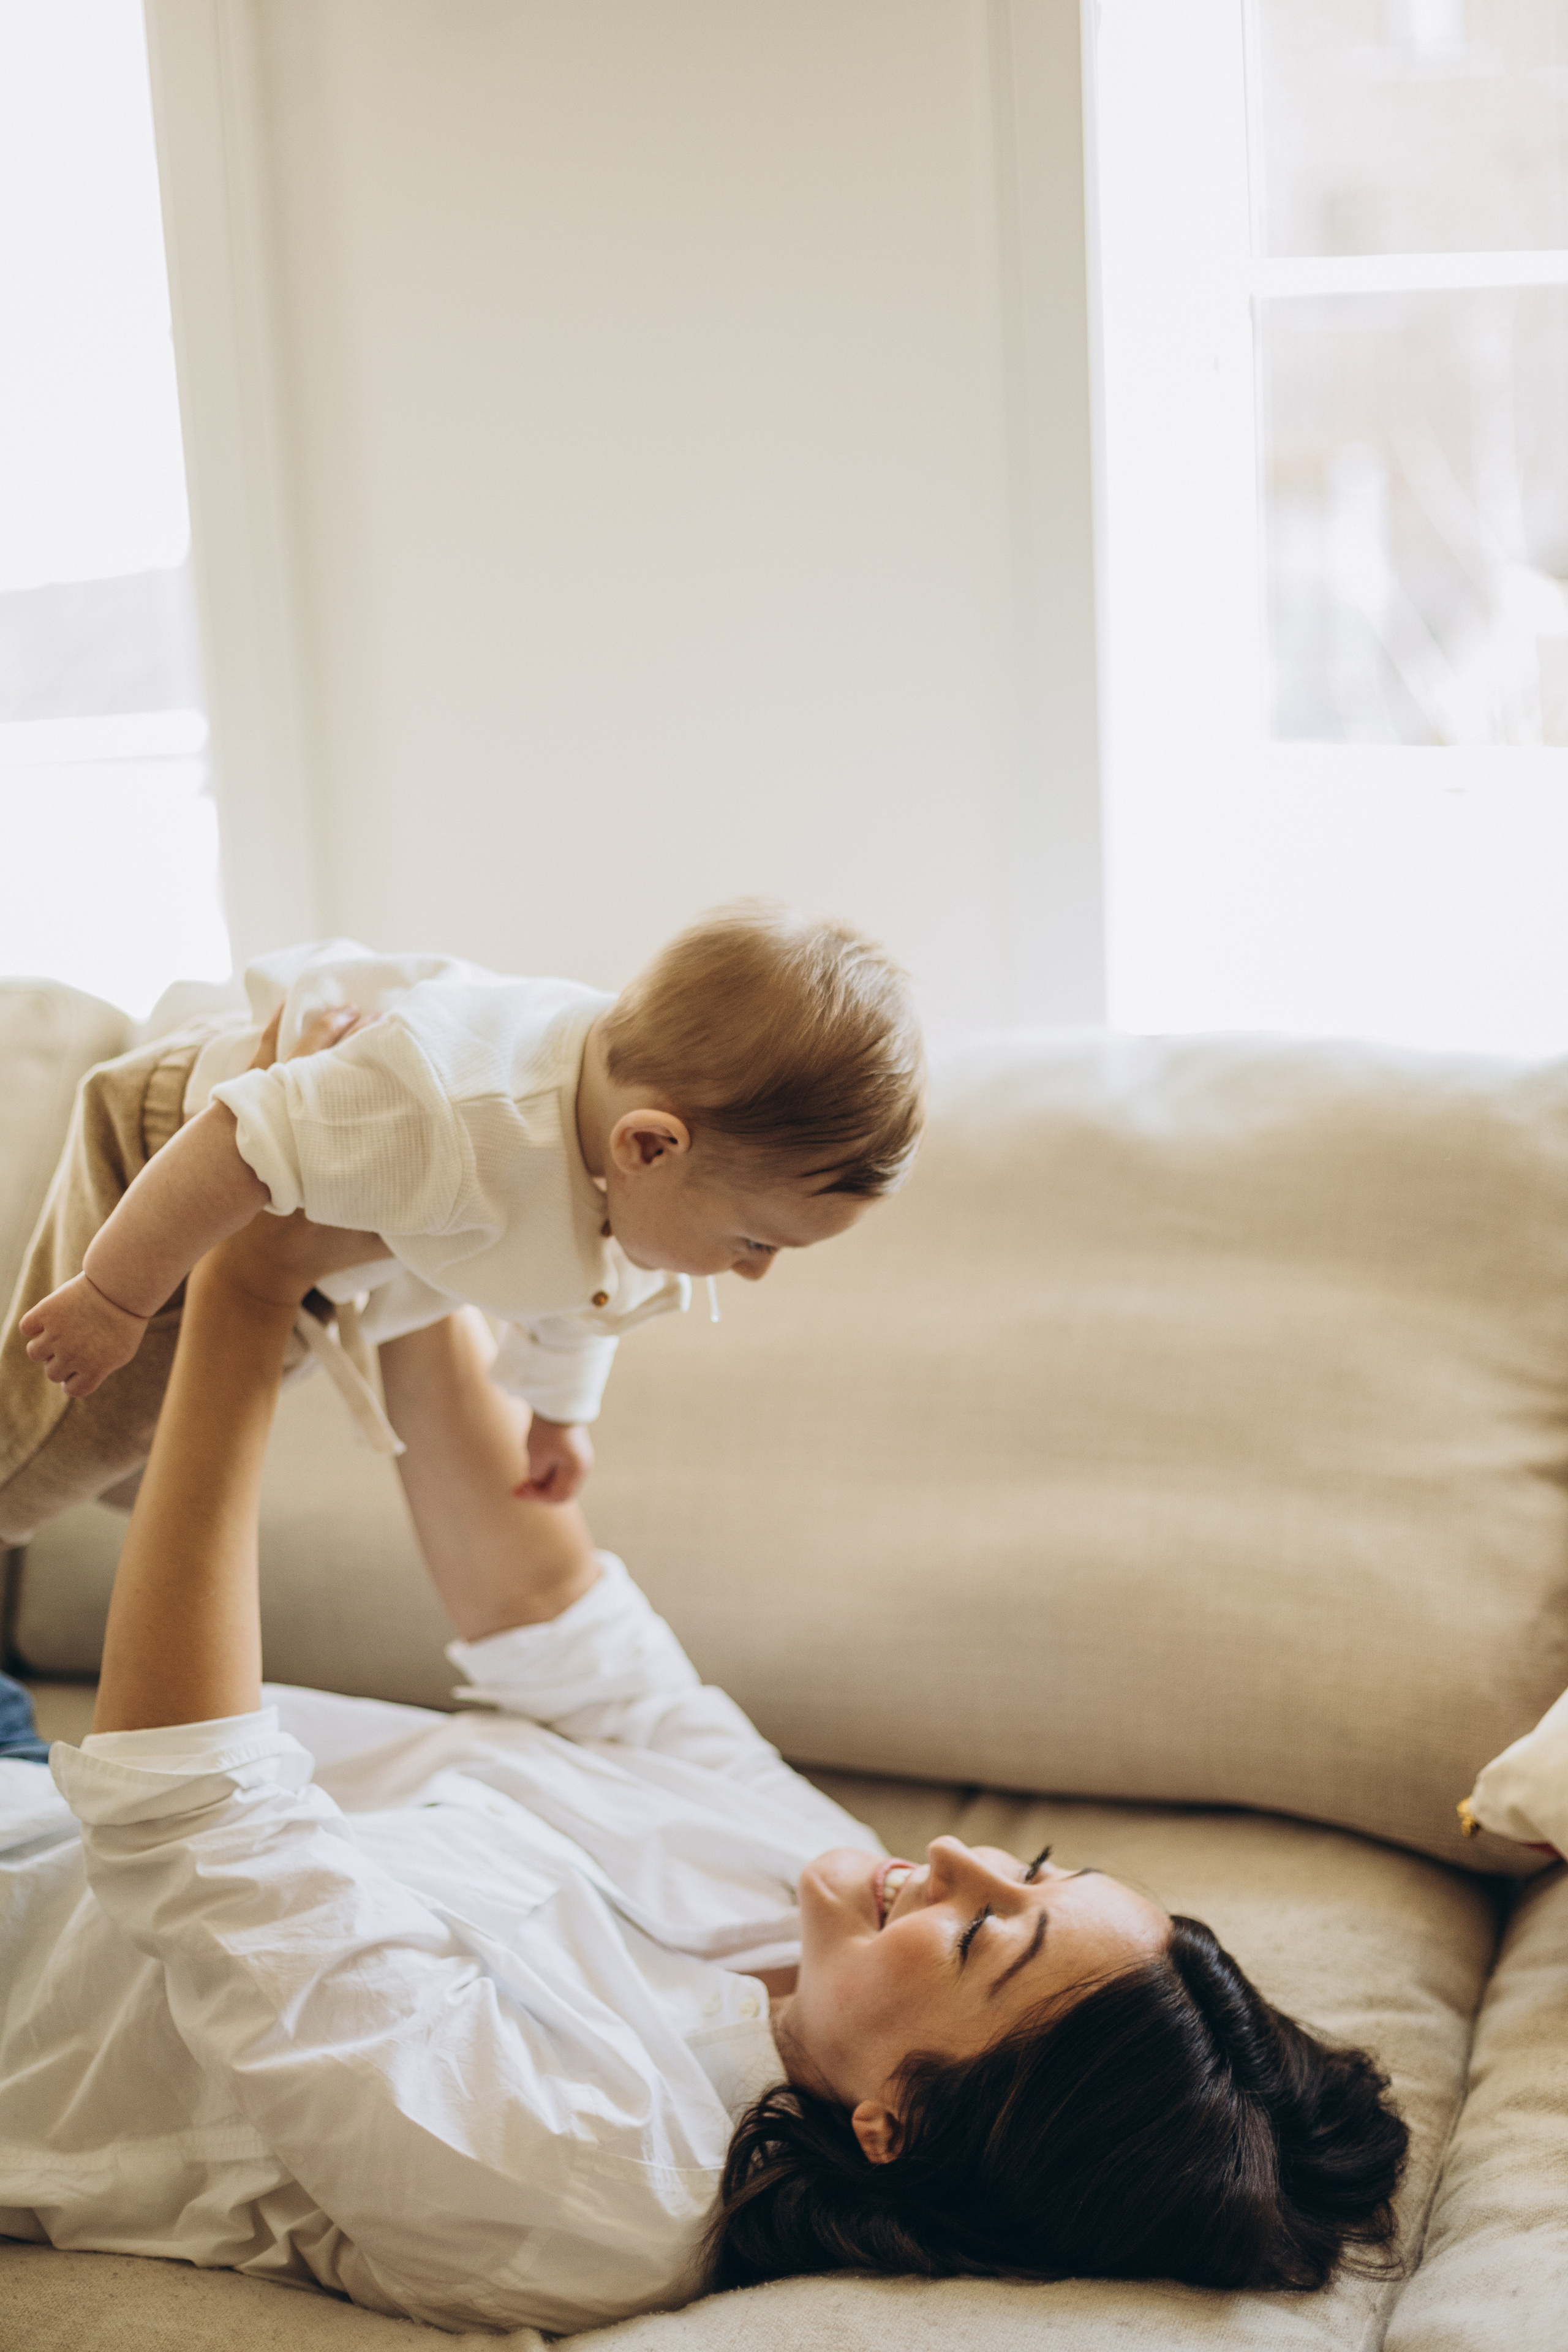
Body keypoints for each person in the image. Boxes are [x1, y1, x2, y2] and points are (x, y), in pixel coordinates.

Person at [0, 1204, 1409, 2330]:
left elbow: (189, 1808)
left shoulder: (593, 2184)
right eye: (1031, 1868)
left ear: (895, 2124)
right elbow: (553, 1621)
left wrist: (247, 1301)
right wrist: (415, 1249)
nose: (962, 1860)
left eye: (985, 1931)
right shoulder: (814, 1892)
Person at [2, 903, 922, 1545]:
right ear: (649, 1147)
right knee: (40, 1448)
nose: (756, 1273)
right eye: (758, 1243)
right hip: (176, 1148)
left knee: (133, 1452)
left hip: (311, 1209)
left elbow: (586, 1284)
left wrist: (558, 1416)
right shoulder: (451, 1109)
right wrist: (114, 1298)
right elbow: (237, 1139)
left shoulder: (618, 1153)